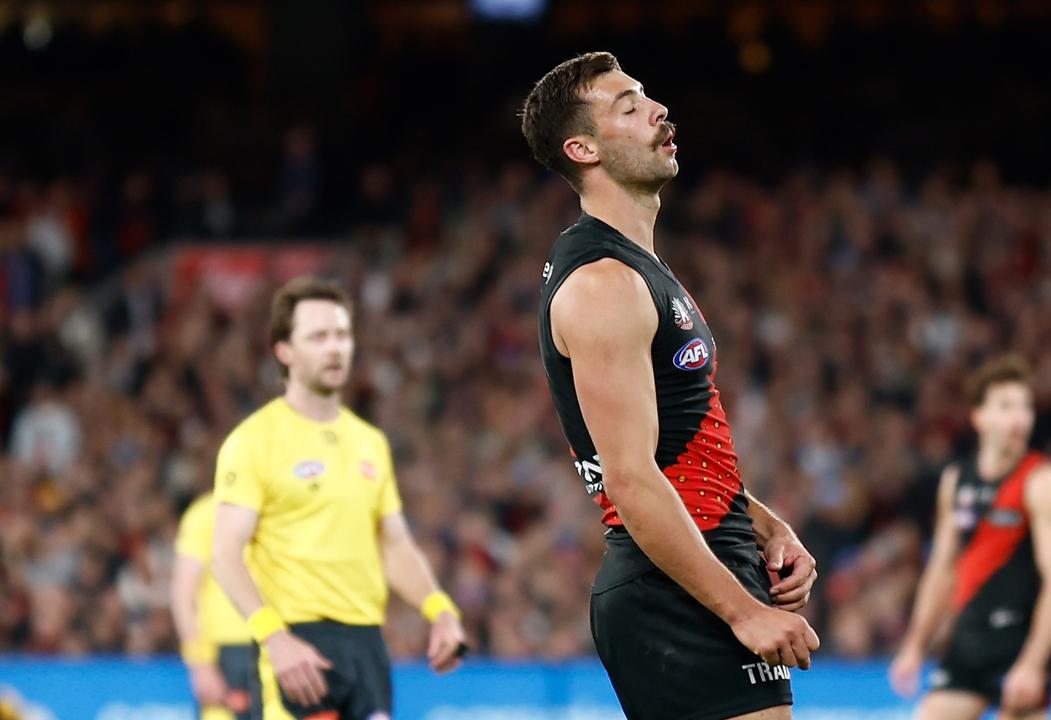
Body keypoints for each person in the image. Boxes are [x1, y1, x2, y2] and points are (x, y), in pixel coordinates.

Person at [520, 52, 820, 720]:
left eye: (647, 96)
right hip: (672, 587)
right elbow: (628, 479)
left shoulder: (637, 269)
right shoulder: (602, 283)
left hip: (701, 561)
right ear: (582, 148)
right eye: (627, 105)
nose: (657, 110)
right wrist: (743, 612)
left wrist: (765, 525)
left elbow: (674, 451)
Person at [209, 277, 466, 719]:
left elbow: (396, 545)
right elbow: (225, 554)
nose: (335, 348)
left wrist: (439, 609)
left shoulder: (370, 443)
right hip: (297, 646)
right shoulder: (254, 441)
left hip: (367, 647)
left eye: (342, 335)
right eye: (318, 337)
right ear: (284, 352)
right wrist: (275, 638)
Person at [889, 354, 1051, 719]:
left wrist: (1034, 664)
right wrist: (915, 645)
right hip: (969, 642)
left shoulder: (1044, 484)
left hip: (1020, 645)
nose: (1019, 417)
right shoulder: (956, 482)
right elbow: (941, 569)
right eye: (1006, 406)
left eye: (1026, 407)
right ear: (979, 417)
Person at [172, 492, 256, 720]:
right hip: (225, 650)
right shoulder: (206, 512)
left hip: (280, 641)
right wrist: (199, 660)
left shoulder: (279, 505)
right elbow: (183, 593)